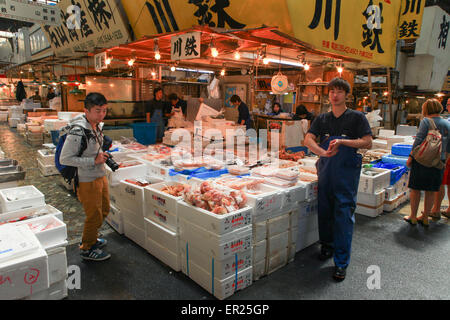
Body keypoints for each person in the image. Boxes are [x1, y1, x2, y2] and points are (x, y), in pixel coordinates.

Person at [304, 77, 372, 282]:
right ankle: (327, 246)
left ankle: (341, 263)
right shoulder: (322, 119)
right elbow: (308, 139)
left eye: (339, 91)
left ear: (346, 94)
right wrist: (320, 152)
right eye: (332, 91)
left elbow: (367, 142)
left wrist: (343, 141)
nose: (335, 95)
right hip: (325, 170)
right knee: (325, 211)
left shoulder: (357, 118)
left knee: (343, 216)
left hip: (346, 173)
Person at [60, 92, 111, 261]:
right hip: (86, 179)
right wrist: (93, 160)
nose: (102, 114)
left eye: (104, 110)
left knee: (104, 209)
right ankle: (87, 248)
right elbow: (65, 158)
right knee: (93, 215)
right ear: (86, 111)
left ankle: (92, 238)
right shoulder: (78, 130)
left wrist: (102, 155)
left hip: (99, 175)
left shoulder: (96, 125)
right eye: (98, 110)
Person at [405, 99, 450, 227]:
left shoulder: (426, 121)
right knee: (431, 190)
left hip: (422, 160)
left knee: (416, 189)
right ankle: (425, 217)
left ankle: (413, 216)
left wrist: (410, 157)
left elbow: (418, 140)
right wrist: (445, 160)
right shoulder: (447, 124)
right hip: (439, 162)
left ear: (426, 109)